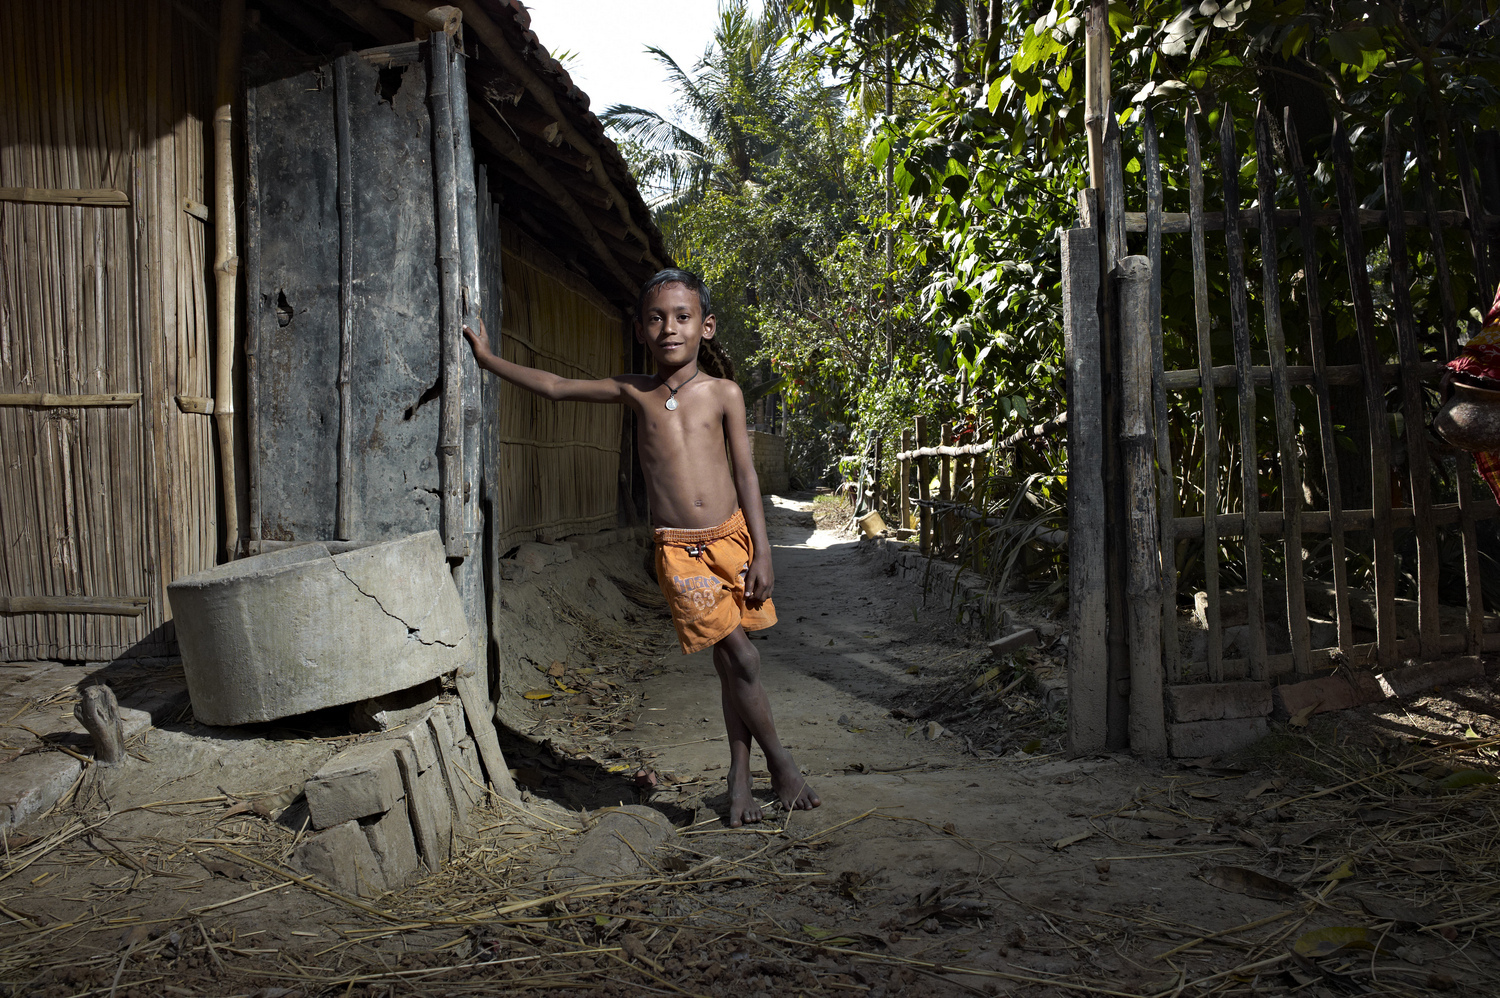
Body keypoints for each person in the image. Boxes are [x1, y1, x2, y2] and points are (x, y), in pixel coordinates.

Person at [463, 268, 820, 827]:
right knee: (743, 659)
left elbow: (746, 475)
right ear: (639, 330)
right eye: (656, 318)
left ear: (706, 327)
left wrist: (764, 551)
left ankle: (738, 777)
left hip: (733, 540)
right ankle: (782, 766)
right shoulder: (636, 391)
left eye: (682, 317)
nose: (669, 328)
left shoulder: (724, 393)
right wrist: (489, 361)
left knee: (733, 666)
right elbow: (556, 386)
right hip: (680, 552)